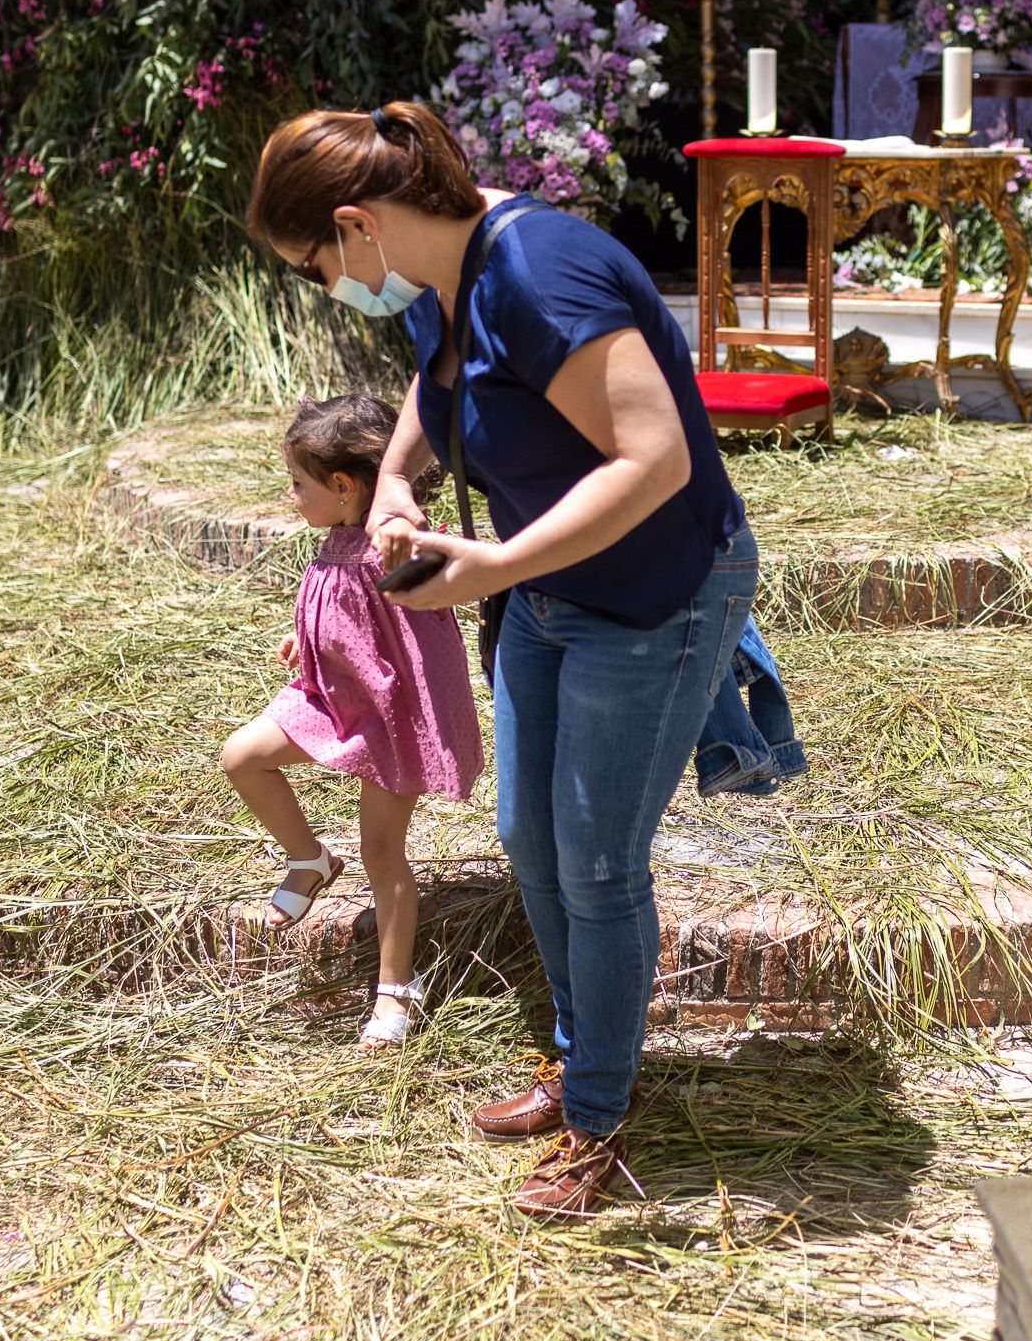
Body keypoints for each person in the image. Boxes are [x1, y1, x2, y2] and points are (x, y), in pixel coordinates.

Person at [244, 100, 789, 1219]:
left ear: (358, 226)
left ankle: (599, 1115)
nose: (326, 285)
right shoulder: (444, 276)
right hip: (549, 588)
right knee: (529, 839)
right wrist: (398, 480)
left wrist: (494, 565)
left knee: (597, 863)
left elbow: (656, 457)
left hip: (650, 596)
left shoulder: (542, 273)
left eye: (314, 266)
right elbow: (435, 389)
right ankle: (580, 1059)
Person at [218, 392, 483, 1050]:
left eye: (298, 484)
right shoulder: (338, 537)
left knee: (382, 852)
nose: (290, 496)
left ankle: (396, 991)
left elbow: (444, 590)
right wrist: (305, 640)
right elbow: (339, 610)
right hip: (330, 696)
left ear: (342, 486)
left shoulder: (394, 545)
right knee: (242, 756)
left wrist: (417, 538)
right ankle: (308, 858)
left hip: (390, 717)